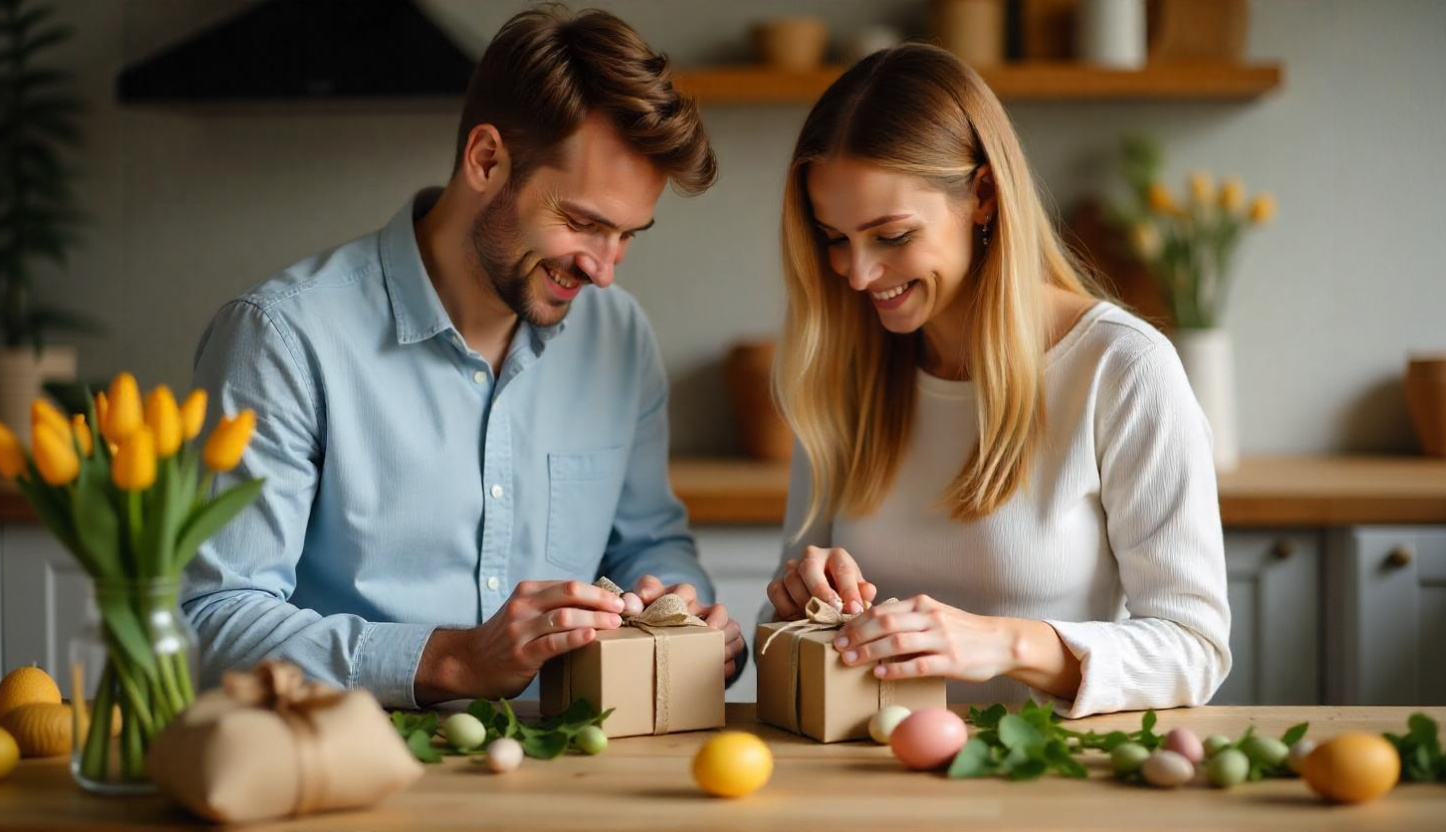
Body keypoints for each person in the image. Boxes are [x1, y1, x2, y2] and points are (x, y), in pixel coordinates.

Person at [185, 7, 745, 708]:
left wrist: (679, 605)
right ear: (486, 160)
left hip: (572, 767)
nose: (605, 270)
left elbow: (646, 545)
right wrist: (451, 660)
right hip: (339, 768)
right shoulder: (282, 338)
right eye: (582, 223)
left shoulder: (619, 336)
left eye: (628, 235)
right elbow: (212, 620)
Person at [762, 44, 1230, 716]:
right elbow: (787, 635)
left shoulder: (1122, 369)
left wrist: (1006, 645)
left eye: (890, 236)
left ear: (982, 196)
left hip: (1041, 791)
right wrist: (795, 603)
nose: (858, 274)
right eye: (834, 237)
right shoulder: (840, 369)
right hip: (866, 787)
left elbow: (1195, 648)